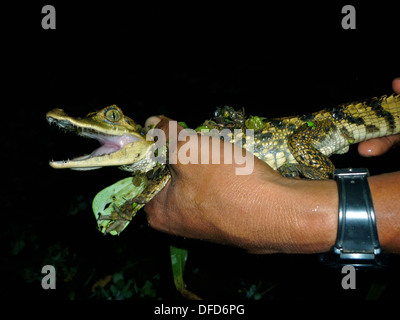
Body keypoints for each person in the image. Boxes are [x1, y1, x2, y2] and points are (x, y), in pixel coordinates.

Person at [144, 79, 400, 255]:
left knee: (299, 142)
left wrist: (309, 205)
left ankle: (323, 175)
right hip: (314, 129)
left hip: (322, 127)